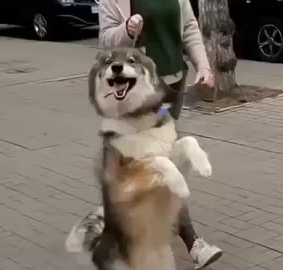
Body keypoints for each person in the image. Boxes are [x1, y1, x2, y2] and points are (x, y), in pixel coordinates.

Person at [95, 0, 222, 269]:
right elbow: (105, 40)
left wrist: (203, 66)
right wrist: (127, 30)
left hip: (173, 84)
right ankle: (193, 242)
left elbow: (188, 27)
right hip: (136, 90)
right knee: (160, 162)